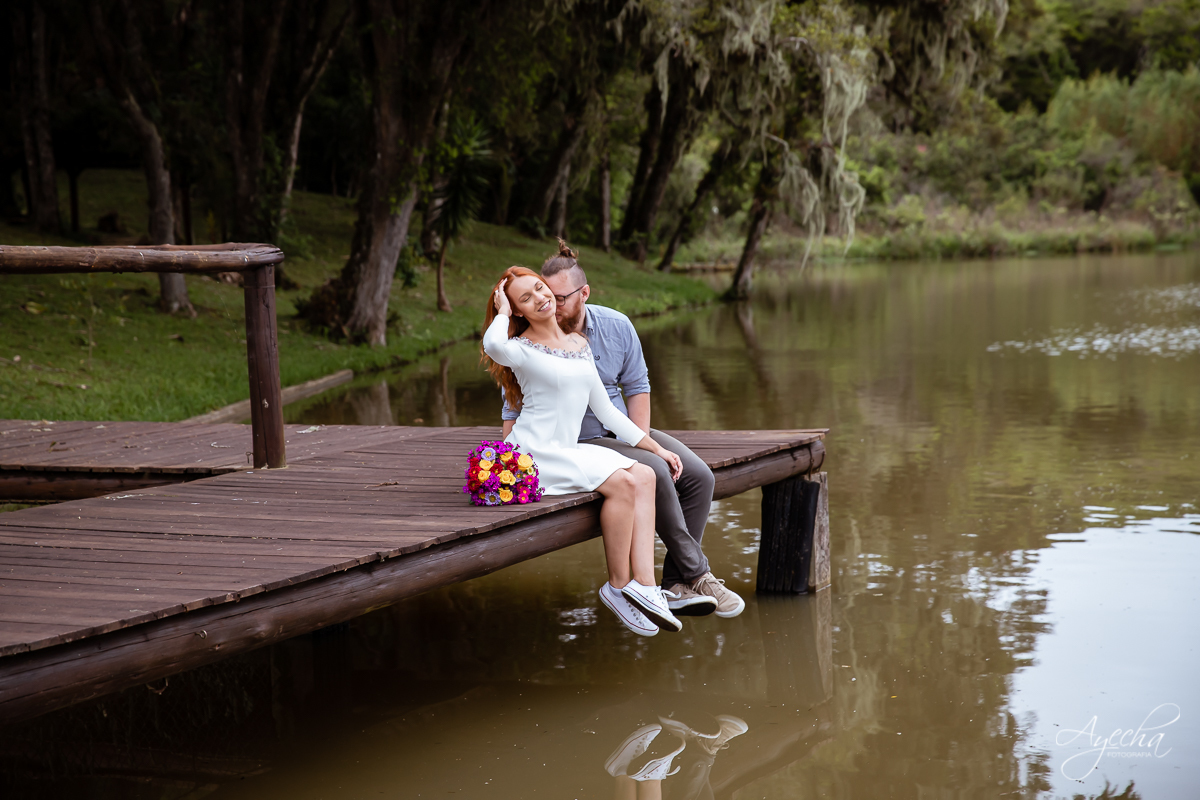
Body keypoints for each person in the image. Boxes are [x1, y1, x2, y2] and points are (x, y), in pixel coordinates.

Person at [502, 241, 744, 618]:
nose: (552, 302)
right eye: (544, 294)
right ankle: (698, 575)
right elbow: (513, 405)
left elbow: (637, 387)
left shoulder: (615, 326)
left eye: (559, 296)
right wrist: (509, 462)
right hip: (580, 440)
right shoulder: (527, 346)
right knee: (656, 472)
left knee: (698, 476)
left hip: (623, 429)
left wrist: (646, 442)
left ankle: (676, 584)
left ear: (584, 293)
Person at [482, 265, 686, 637]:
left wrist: (655, 448)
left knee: (645, 473)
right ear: (518, 311)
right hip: (532, 455)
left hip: (566, 449)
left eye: (541, 289)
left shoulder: (580, 346)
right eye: (525, 298)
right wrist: (501, 312)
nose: (541, 299)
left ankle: (645, 585)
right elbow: (492, 345)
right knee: (623, 485)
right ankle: (618, 587)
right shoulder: (521, 349)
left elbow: (608, 411)